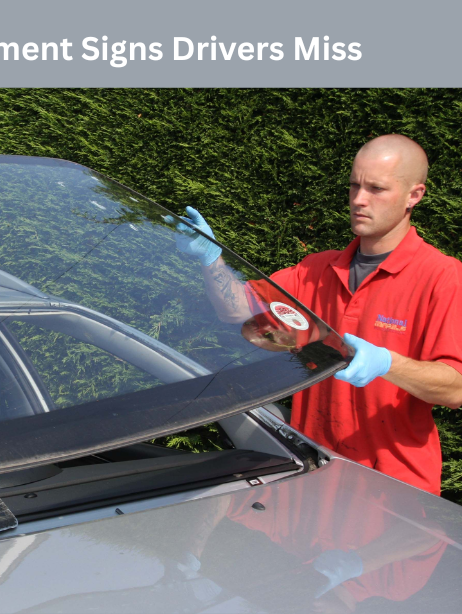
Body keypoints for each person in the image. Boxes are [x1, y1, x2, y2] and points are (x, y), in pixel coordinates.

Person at [171, 134, 462, 495]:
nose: (359, 200)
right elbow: (237, 309)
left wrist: (388, 363)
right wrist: (210, 257)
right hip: (313, 474)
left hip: (392, 491)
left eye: (376, 188)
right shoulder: (317, 269)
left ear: (414, 195)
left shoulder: (443, 278)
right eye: (354, 185)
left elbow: (456, 388)